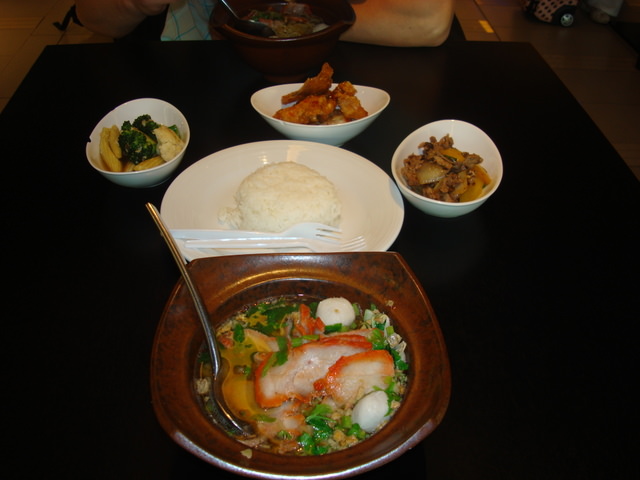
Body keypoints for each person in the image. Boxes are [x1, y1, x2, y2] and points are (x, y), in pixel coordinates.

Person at [75, 0, 455, 47]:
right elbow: (94, 16)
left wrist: (299, 23)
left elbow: (428, 21)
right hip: (192, 88)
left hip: (345, 80)